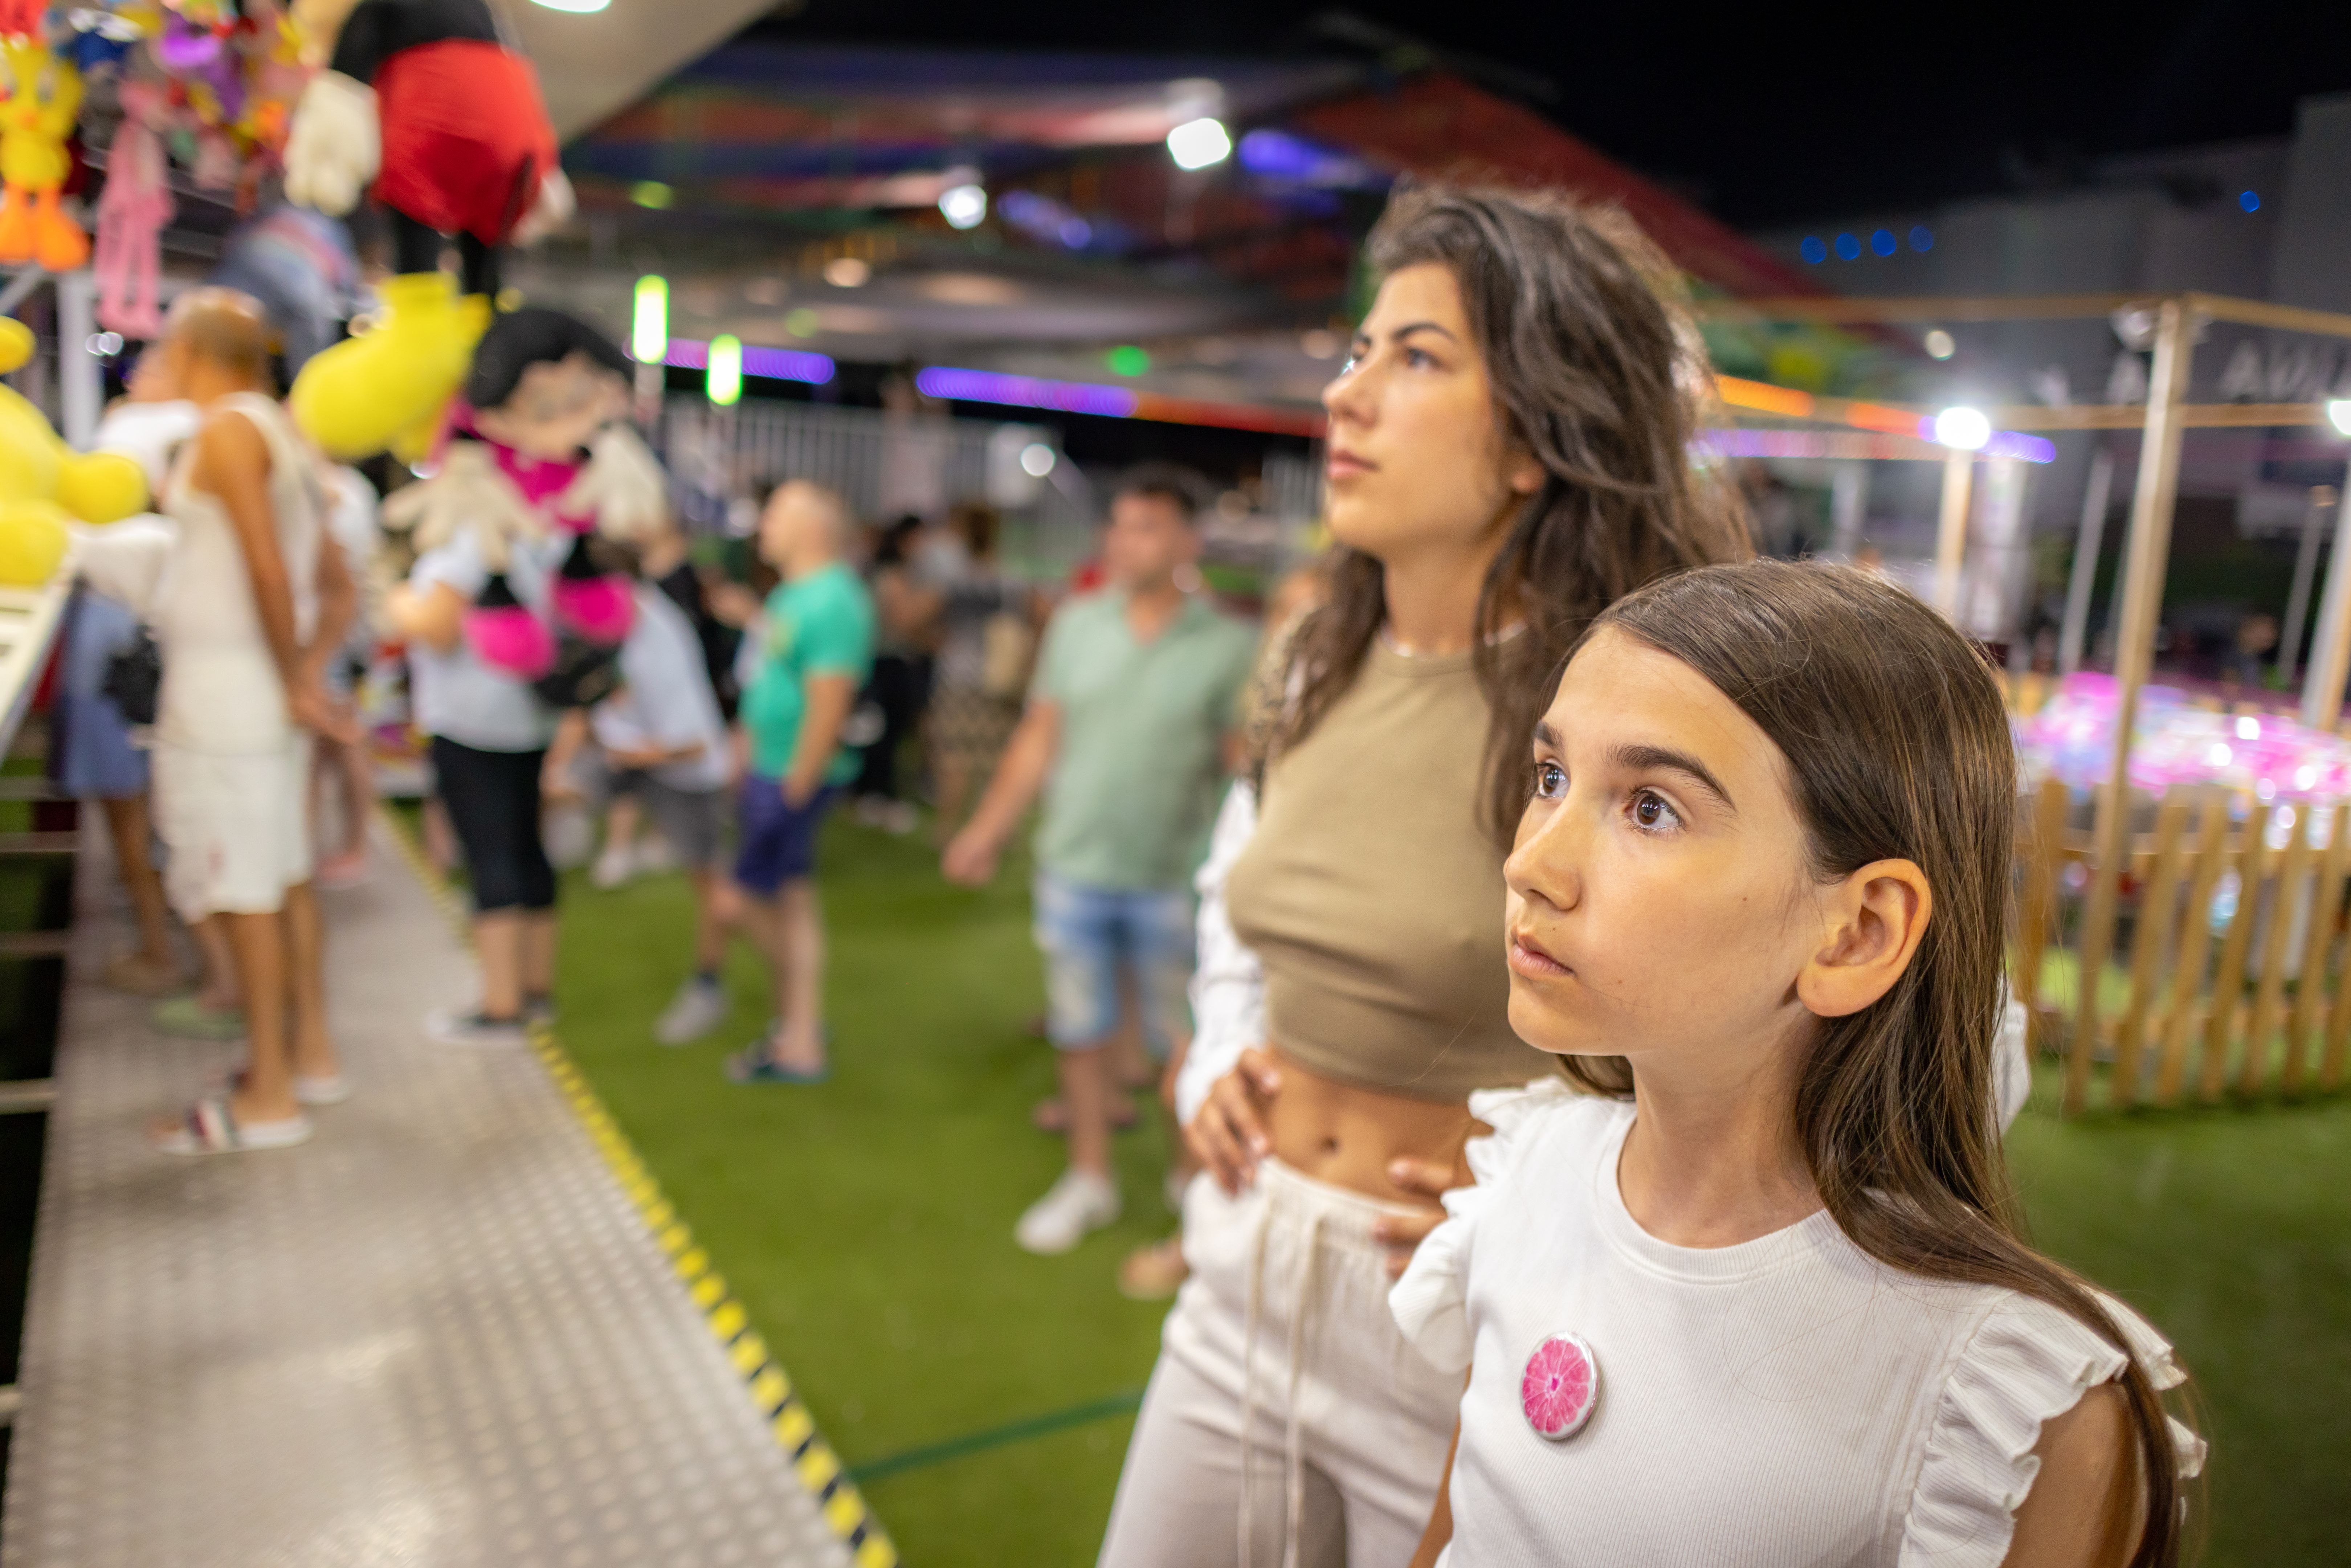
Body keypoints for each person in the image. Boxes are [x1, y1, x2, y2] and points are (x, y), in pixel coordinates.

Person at [1096, 185, 1751, 1567]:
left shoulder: (1640, 711)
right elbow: (1240, 905)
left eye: (1416, 358)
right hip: (1240, 1266)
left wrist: (1545, 1200)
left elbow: (1765, 1026)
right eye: (1357, 351)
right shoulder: (1313, 658)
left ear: (1532, 434)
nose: (1347, 398)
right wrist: (1215, 1047)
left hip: (1457, 1325)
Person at [1393, 562, 2201, 1567]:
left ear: (1856, 932)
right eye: (1550, 777)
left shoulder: (2001, 1404)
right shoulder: (1525, 1171)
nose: (1529, 865)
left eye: (1650, 807)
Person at [944, 467, 1257, 1255]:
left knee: (1183, 1047)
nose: (1123, 541)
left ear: (1187, 541)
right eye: (1116, 525)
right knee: (1079, 1033)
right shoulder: (1078, 623)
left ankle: (1190, 1186)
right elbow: (1038, 738)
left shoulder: (1227, 645)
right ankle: (1090, 1176)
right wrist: (985, 830)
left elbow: (1243, 770)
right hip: (1073, 869)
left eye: (1145, 526)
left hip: (1172, 882)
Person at [140, 289, 358, 1153]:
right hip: (256, 700)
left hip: (229, 705)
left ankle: (269, 1093)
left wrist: (290, 675)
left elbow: (272, 573)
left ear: (193, 348)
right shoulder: (285, 436)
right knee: (284, 877)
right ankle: (307, 1056)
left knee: (246, 891)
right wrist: (304, 671)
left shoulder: (230, 431)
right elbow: (337, 582)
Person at [547, 559, 737, 1046]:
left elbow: (693, 743)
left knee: (717, 886)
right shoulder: (611, 618)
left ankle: (709, 985)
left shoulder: (661, 644)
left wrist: (631, 753)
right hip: (634, 753)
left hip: (682, 768)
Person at [723, 481, 875, 1084]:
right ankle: (800, 1025)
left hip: (790, 775)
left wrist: (797, 781)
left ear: (812, 527)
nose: (764, 524)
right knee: (791, 899)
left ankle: (801, 1029)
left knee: (741, 901)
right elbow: (779, 671)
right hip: (775, 767)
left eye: (777, 514)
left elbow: (830, 698)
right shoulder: (796, 594)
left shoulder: (833, 598)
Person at [923, 502, 1034, 838]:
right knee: (996, 757)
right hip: (1000, 677)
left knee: (954, 755)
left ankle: (947, 827)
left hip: (957, 677)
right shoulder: (1011, 578)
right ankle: (996, 829)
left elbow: (921, 617)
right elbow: (1035, 617)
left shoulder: (955, 579)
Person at [852, 514, 936, 835]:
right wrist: (932, 601)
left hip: (885, 660)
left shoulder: (887, 572)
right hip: (886, 662)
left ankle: (874, 794)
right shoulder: (892, 574)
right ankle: (876, 796)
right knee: (884, 731)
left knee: (884, 729)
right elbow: (902, 621)